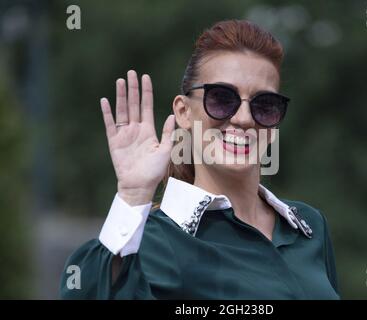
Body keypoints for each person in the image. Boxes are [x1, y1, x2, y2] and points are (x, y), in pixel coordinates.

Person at [60, 19, 339, 299]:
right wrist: (133, 195)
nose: (243, 119)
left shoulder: (309, 225)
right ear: (183, 112)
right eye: (221, 98)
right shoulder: (152, 242)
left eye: (264, 105)